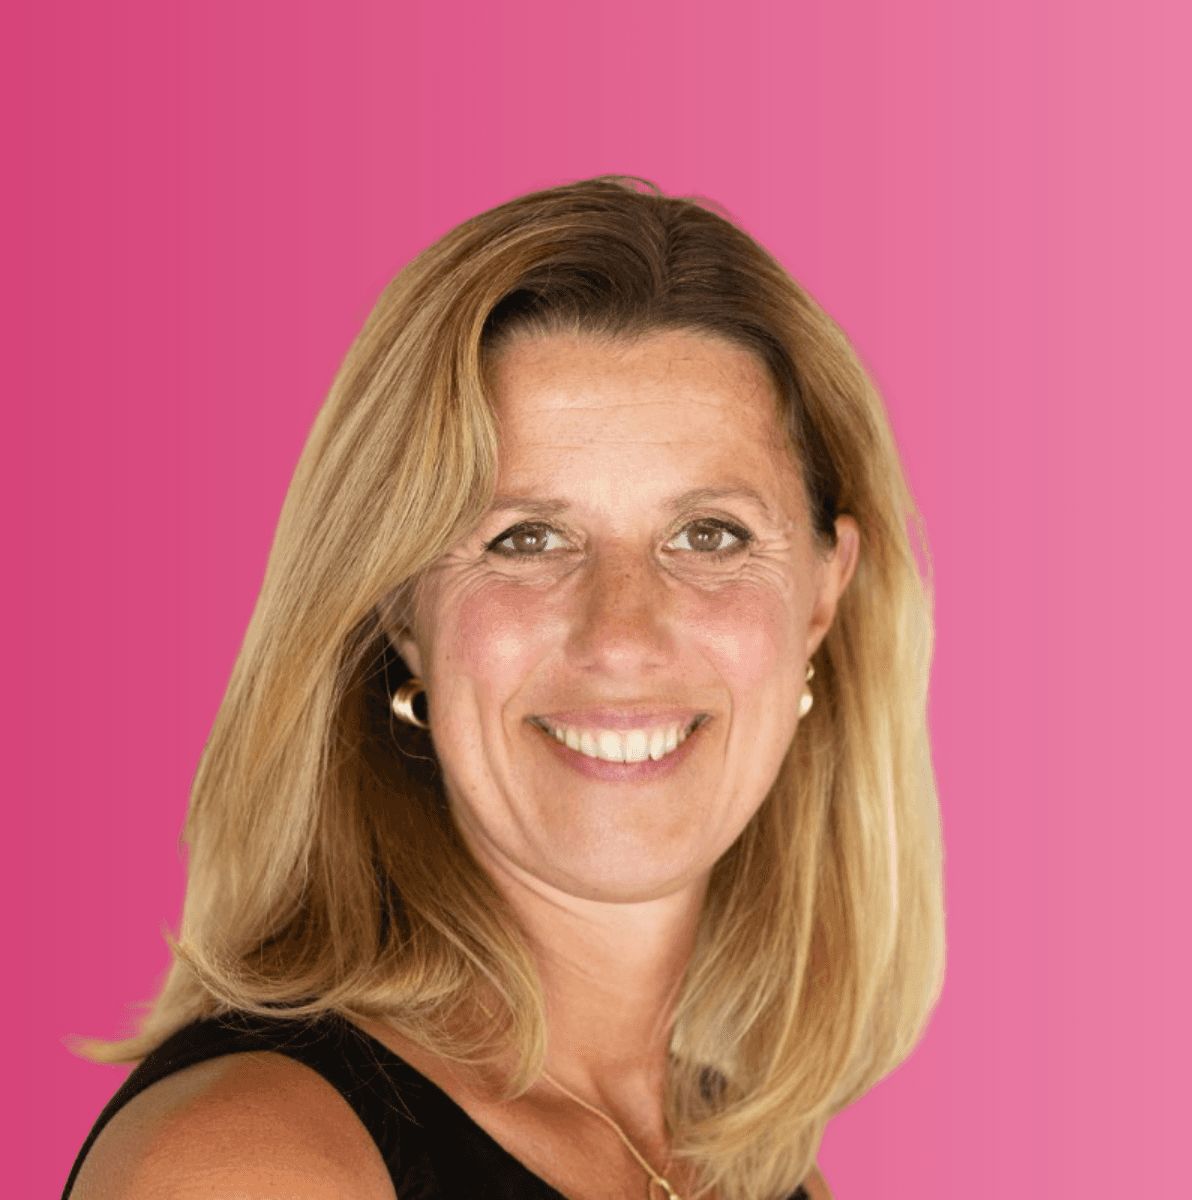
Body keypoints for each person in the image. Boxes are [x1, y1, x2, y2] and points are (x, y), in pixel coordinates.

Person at [64, 177, 944, 1200]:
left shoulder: (739, 1168)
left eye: (710, 536)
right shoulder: (253, 1164)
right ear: (402, 610)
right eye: (526, 538)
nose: (621, 636)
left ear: (822, 603)